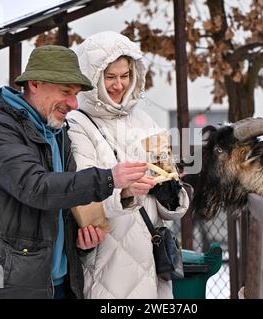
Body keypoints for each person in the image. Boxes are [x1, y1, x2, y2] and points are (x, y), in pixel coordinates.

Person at [0, 45, 152, 299]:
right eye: (65, 92)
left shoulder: (56, 132)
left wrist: (79, 243)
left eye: (76, 94)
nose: (73, 103)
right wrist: (109, 178)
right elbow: (36, 188)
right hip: (2, 285)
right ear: (35, 84)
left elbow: (61, 203)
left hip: (54, 282)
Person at [67, 31, 190, 299]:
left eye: (125, 76)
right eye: (109, 77)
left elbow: (168, 209)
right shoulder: (78, 123)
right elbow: (81, 187)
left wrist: (170, 189)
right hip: (108, 259)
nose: (118, 85)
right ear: (92, 77)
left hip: (150, 257)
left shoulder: (146, 120)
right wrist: (123, 192)